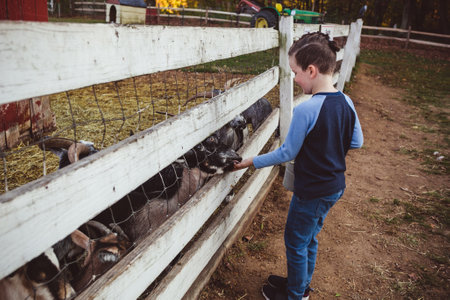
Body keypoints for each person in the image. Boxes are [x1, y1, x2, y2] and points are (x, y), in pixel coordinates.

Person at [233, 32, 364, 300]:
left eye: (295, 72)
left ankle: (295, 296)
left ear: (311, 70)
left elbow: (287, 152)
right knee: (310, 238)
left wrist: (250, 161)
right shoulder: (346, 101)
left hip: (311, 190)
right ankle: (300, 284)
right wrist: (329, 149)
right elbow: (357, 141)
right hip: (334, 187)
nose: (294, 78)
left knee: (295, 241)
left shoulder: (307, 109)